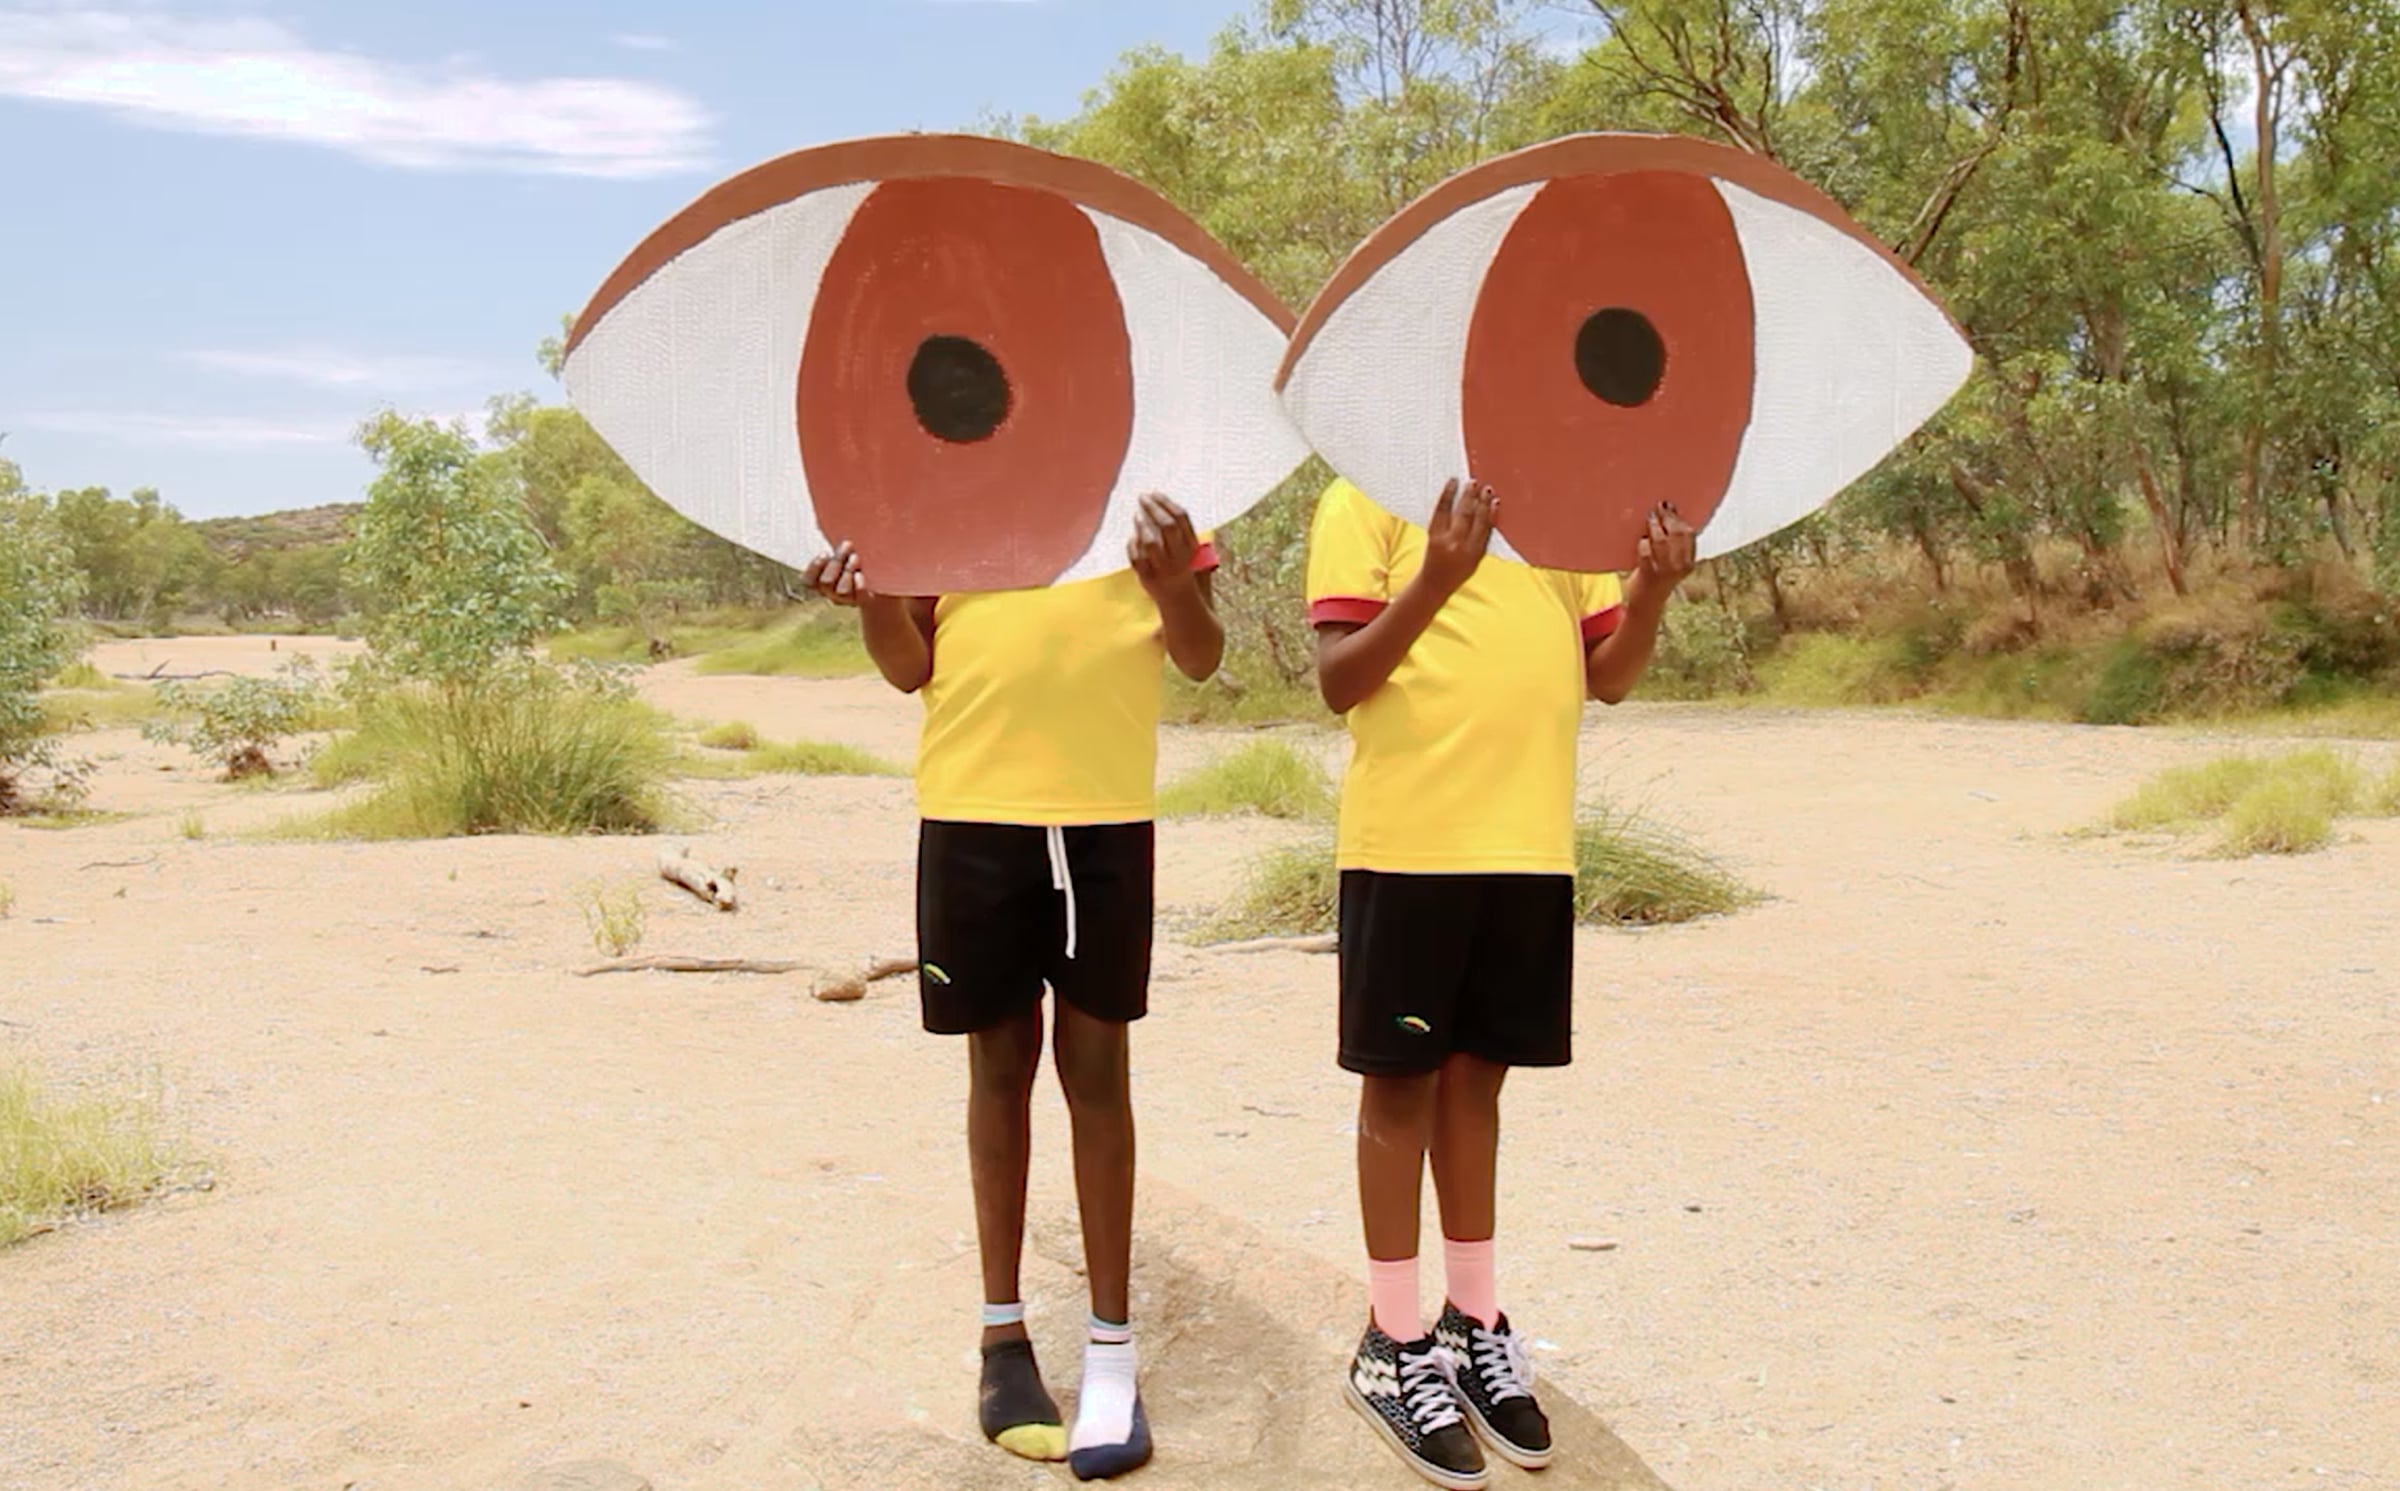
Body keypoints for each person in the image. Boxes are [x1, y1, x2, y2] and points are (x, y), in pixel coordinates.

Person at [803, 494, 1222, 1482]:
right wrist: (872, 596)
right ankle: (1003, 1337)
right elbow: (910, 665)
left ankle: (1111, 1348)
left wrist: (1170, 584)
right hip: (973, 812)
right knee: (998, 1063)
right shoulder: (940, 483)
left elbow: (1201, 655)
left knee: (1097, 1067)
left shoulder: (1159, 482)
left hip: (1102, 817)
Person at [1305, 475, 1696, 1489]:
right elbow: (1340, 678)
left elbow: (1608, 674)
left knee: (1477, 1083)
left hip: (1526, 851)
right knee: (1401, 1088)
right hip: (1408, 847)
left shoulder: (1560, 508)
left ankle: (1471, 1320)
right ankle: (1392, 1340)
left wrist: (1651, 590)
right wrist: (1438, 576)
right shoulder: (1366, 495)